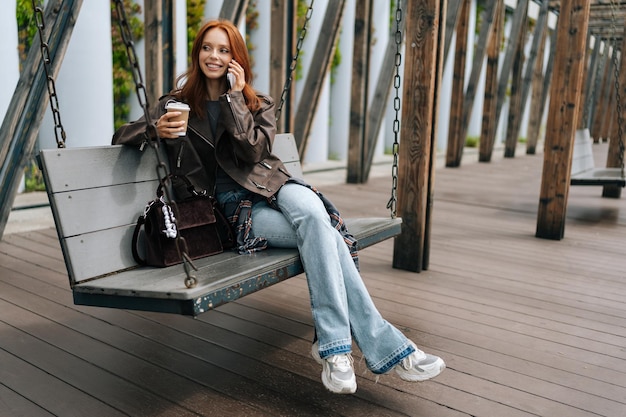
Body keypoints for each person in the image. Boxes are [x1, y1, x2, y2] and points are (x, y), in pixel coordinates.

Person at [113, 19, 445, 394]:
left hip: (276, 185)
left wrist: (235, 99)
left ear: (236, 58)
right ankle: (366, 349)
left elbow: (253, 151)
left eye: (224, 50)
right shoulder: (176, 103)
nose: (214, 56)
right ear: (197, 53)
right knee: (327, 237)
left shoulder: (257, 102)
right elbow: (121, 134)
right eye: (208, 47)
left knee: (313, 215)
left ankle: (335, 349)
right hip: (232, 211)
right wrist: (155, 129)